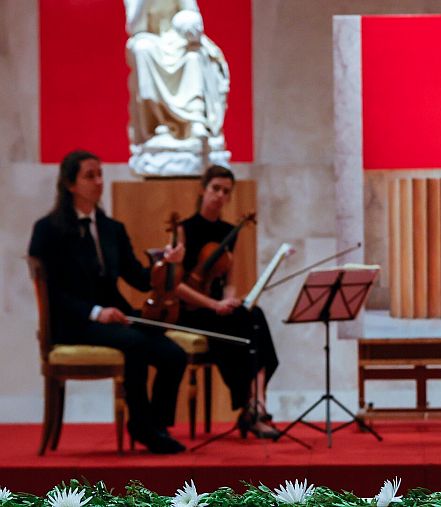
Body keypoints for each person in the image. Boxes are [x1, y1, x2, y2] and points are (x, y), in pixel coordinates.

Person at [28, 150, 188, 454]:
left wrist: (165, 264)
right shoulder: (48, 230)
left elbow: (138, 278)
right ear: (70, 184)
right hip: (75, 322)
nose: (99, 182)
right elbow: (54, 293)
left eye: (100, 174)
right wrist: (96, 312)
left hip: (114, 318)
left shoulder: (112, 228)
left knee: (173, 354)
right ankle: (142, 426)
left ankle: (157, 425)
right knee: (135, 343)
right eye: (90, 176)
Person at [174, 165, 280, 439]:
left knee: (254, 315)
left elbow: (228, 279)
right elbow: (176, 285)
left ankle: (257, 402)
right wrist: (213, 305)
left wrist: (229, 299)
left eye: (226, 192)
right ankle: (251, 409)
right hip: (191, 311)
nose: (220, 196)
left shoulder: (229, 231)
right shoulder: (184, 229)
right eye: (215, 189)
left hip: (216, 308)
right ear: (203, 190)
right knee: (239, 332)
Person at [125, 0, 230, 175]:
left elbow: (192, 14)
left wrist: (189, 25)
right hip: (151, 39)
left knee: (193, 57)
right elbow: (135, 27)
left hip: (179, 40)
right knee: (142, 49)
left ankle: (195, 121)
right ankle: (159, 127)